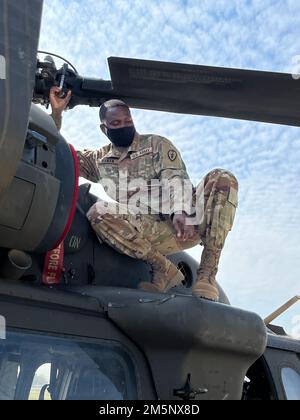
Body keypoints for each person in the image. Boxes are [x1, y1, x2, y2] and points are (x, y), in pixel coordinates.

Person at [49, 87, 238, 301]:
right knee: (98, 211)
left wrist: (180, 210)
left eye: (127, 121)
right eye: (116, 124)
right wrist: (56, 114)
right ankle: (162, 268)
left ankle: (207, 274)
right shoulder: (99, 160)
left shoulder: (156, 145)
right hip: (147, 231)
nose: (124, 126)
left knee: (222, 177)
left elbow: (174, 176)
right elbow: (60, 153)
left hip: (187, 222)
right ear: (104, 129)